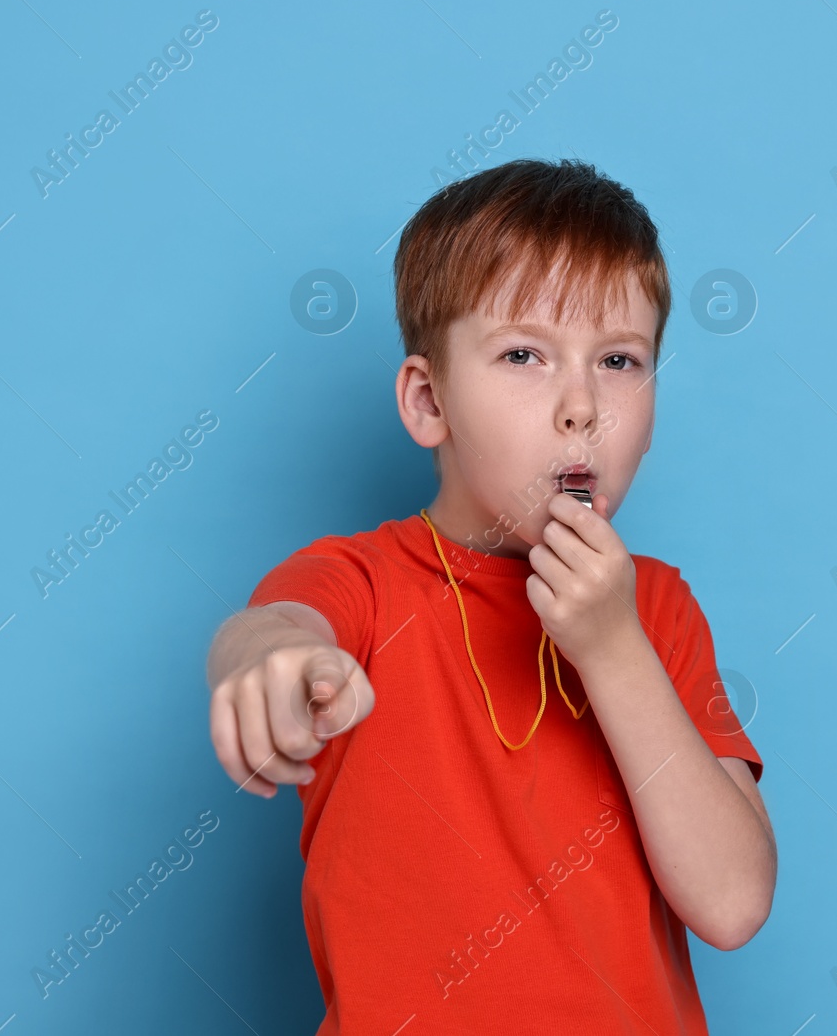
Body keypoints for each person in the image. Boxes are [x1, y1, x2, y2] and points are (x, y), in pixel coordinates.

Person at [204, 158, 776, 1034]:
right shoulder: (361, 581)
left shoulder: (656, 609)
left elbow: (732, 901)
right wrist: (271, 666)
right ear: (429, 400)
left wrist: (614, 648)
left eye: (619, 359)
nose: (581, 405)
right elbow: (274, 627)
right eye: (523, 355)